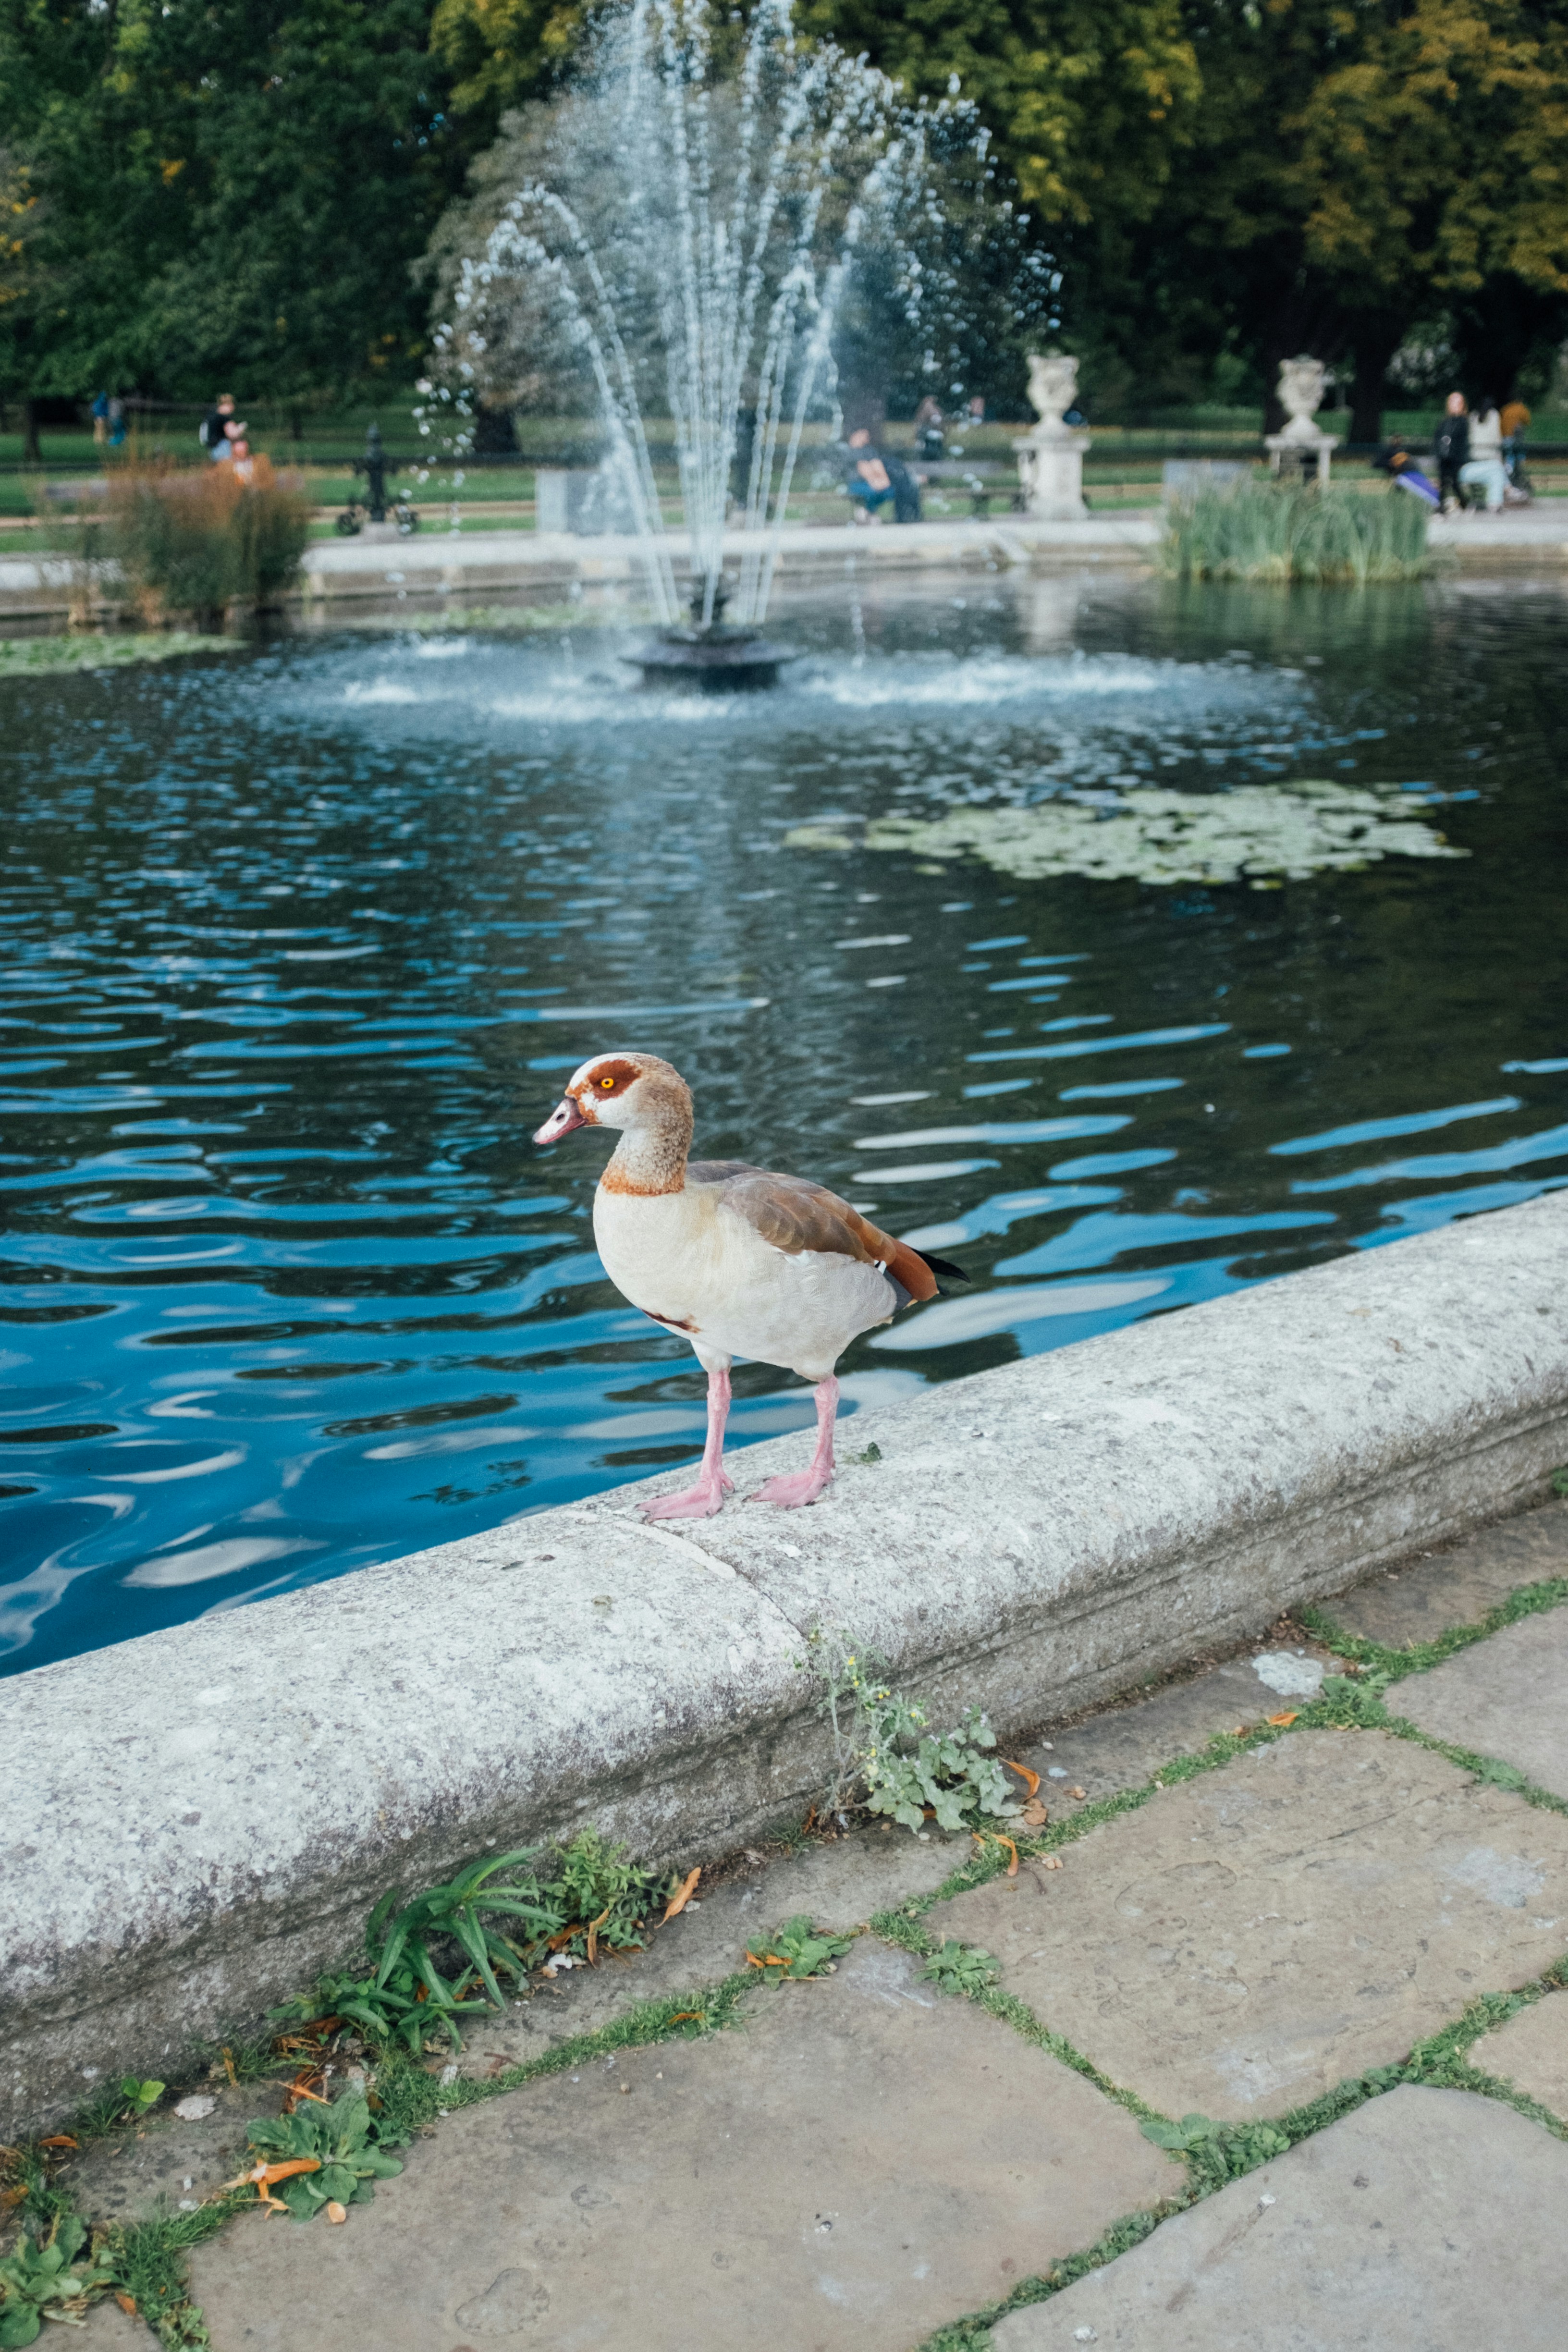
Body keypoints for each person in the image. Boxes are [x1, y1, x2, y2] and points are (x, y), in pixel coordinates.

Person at [1459, 398, 1507, 513]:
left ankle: (1497, 501)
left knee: (1497, 472)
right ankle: (1506, 492)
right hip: (1483, 464)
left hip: (1473, 463)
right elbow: (1497, 440)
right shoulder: (1494, 416)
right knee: (1498, 469)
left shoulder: (1473, 417)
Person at [1433, 392, 1469, 512]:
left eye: (1458, 402)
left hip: (1456, 458)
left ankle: (1463, 502)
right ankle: (1442, 505)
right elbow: (1438, 438)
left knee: (1453, 482)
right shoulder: (1445, 422)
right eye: (1452, 402)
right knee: (1444, 481)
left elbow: (1460, 441)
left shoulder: (1463, 422)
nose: (1454, 405)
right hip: (1444, 457)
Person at [1500, 394, 1532, 496]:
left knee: (1509, 458)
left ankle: (1508, 475)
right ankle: (1512, 478)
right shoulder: (1520, 408)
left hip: (1505, 437)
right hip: (1515, 438)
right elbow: (1527, 421)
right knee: (1516, 458)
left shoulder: (1505, 409)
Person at [199, 393, 236, 457]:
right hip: (221, 447)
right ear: (229, 405)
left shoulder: (211, 415)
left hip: (212, 447)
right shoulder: (224, 417)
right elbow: (232, 434)